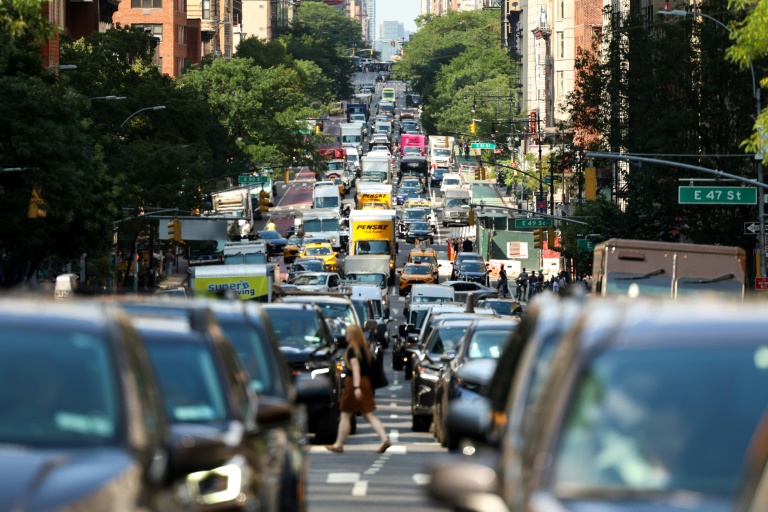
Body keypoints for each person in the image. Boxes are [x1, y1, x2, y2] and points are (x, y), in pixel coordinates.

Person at [326, 325, 391, 454]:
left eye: (347, 333)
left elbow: (356, 369)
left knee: (345, 414)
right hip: (365, 382)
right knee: (367, 414)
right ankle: (384, 439)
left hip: (354, 384)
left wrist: (356, 387)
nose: (346, 336)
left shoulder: (352, 350)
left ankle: (338, 444)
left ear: (352, 335)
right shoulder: (364, 349)